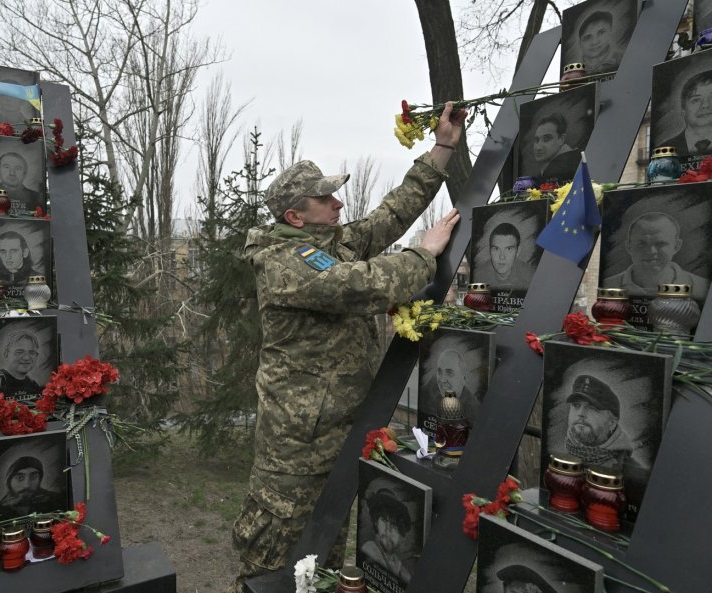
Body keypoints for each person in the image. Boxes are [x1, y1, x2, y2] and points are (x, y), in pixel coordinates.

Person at [225, 101, 466, 593]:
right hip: (296, 447)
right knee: (275, 559)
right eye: (326, 200)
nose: (339, 206)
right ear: (296, 215)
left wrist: (441, 148)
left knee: (323, 553)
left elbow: (389, 214)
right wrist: (424, 253)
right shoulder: (283, 262)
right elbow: (362, 286)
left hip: (339, 430)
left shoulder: (328, 243)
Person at [602, 211, 709, 298]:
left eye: (660, 243)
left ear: (677, 246)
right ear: (628, 247)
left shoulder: (702, 288)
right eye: (641, 244)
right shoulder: (608, 286)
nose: (651, 251)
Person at [562, 374, 643, 472]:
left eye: (592, 408)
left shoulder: (632, 473)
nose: (580, 413)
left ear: (612, 422)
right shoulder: (556, 455)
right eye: (576, 405)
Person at [0, 456, 66, 521]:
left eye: (33, 477)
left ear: (40, 479)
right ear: (9, 481)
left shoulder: (55, 501)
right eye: (20, 478)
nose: (27, 485)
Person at [360, 488, 415, 585]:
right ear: (376, 522)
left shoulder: (400, 567)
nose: (388, 529)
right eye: (384, 520)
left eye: (393, 525)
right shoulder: (370, 549)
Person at [0, 330, 44, 400]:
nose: (26, 357)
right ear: (6, 354)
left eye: (32, 352)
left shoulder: (33, 385)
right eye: (19, 352)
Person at [530, 113, 581, 185]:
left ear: (561, 139)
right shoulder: (573, 159)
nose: (538, 147)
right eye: (537, 140)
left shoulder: (557, 170)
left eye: (546, 139)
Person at [576, 10, 622, 74]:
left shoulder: (624, 60)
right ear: (580, 43)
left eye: (601, 32)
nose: (595, 42)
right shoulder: (573, 73)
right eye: (588, 37)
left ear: (611, 32)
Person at [487, 222, 530, 290]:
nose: (501, 257)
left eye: (508, 249)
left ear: (518, 251)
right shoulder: (477, 275)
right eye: (496, 249)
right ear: (489, 250)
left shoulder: (531, 277)